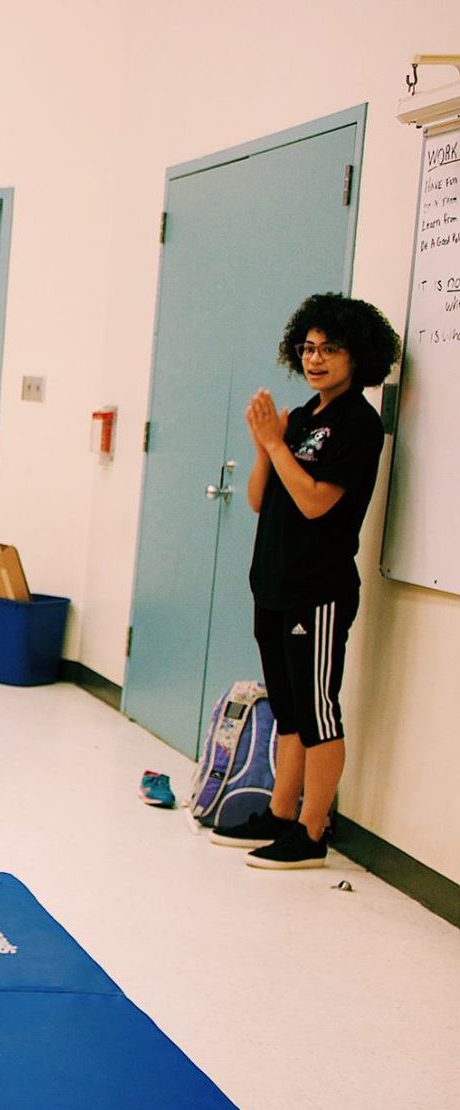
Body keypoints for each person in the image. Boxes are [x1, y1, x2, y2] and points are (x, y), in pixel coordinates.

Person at [213, 293, 398, 869]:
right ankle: (281, 812)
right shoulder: (302, 418)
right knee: (289, 709)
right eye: (308, 348)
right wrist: (265, 446)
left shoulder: (358, 425)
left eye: (330, 349)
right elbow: (256, 499)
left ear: (357, 355)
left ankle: (312, 833)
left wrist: (274, 442)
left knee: (318, 709)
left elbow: (318, 502)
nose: (316, 359)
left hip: (317, 590)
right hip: (272, 583)